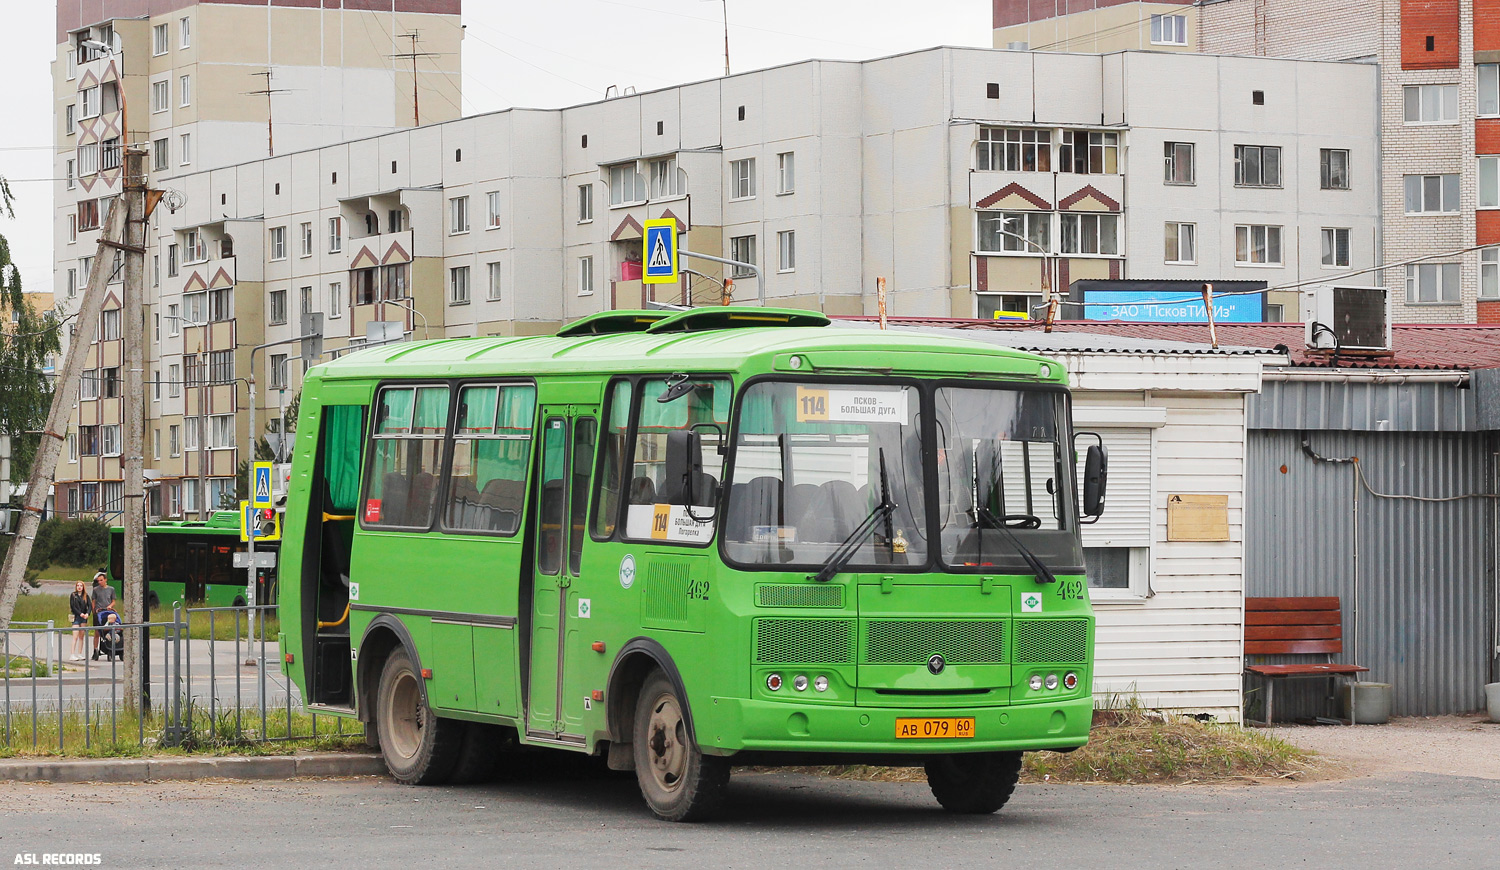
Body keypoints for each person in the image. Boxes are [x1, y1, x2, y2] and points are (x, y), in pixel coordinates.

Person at [89, 572, 116, 661]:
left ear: (105, 580)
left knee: (108, 631)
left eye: (101, 580)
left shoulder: (111, 589)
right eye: (98, 581)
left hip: (107, 612)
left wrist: (110, 606)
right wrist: (94, 611)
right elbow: (93, 601)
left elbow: (113, 601)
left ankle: (109, 648)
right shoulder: (96, 590)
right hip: (99, 612)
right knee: (97, 632)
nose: (100, 582)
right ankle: (95, 649)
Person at [68, 580, 92, 662]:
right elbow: (73, 607)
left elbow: (90, 606)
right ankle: (72, 654)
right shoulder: (73, 595)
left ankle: (80, 653)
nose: (79, 587)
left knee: (81, 636)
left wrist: (87, 614)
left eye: (81, 586)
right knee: (75, 636)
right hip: (76, 617)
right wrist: (80, 613)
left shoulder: (86, 596)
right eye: (78, 585)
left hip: (83, 618)